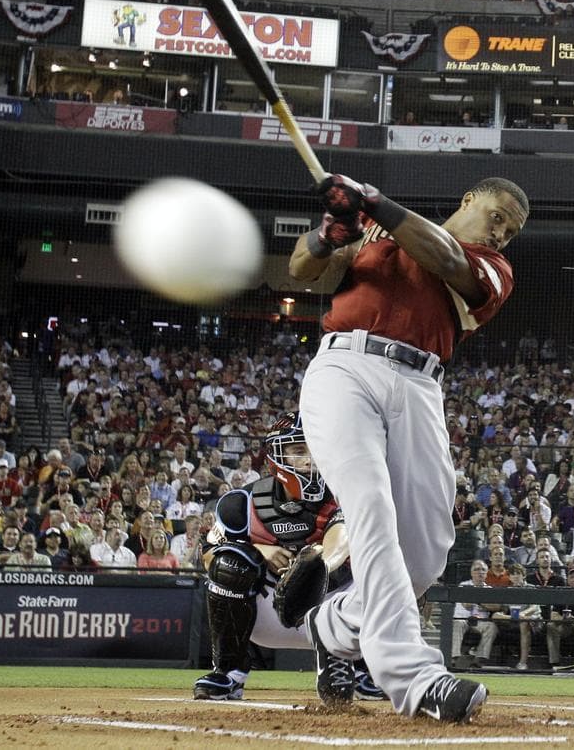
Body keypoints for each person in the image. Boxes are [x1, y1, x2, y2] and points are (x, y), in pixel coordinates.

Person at [289, 174, 528, 721]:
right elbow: (300, 269)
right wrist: (329, 233)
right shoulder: (372, 228)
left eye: (510, 231)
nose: (500, 234)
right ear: (468, 197)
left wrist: (373, 202)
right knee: (370, 508)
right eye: (497, 217)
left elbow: (443, 257)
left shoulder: (492, 270)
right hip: (345, 366)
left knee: (424, 555)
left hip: (421, 384)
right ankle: (416, 679)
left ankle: (334, 625)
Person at [193, 413, 381, 703]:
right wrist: (259, 550)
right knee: (229, 563)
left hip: (334, 610)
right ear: (276, 457)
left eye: (315, 449)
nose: (309, 460)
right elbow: (208, 555)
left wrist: (313, 568)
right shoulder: (242, 503)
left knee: (397, 565)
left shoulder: (348, 493)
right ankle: (229, 673)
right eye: (298, 451)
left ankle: (364, 670)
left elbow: (340, 537)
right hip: (270, 613)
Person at [450, 560, 500, 670]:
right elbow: (466, 604)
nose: (480, 572)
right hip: (463, 619)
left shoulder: (489, 589)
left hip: (480, 622)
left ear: (487, 573)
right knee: (457, 623)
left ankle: (479, 660)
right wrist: (484, 602)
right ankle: (453, 659)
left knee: (491, 627)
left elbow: (496, 607)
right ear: (471, 573)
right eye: (477, 570)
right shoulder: (463, 585)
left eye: (483, 570)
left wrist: (480, 602)